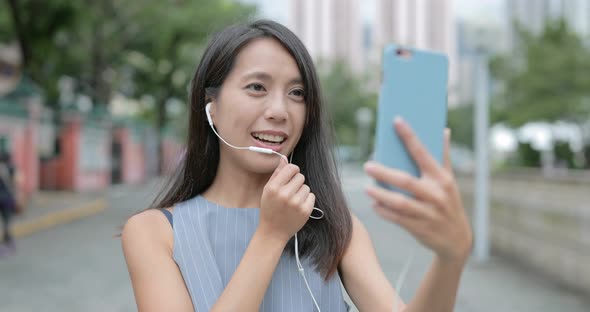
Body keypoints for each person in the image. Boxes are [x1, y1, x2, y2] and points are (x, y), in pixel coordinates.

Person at [121, 20, 472, 312]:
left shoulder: (337, 226)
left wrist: (450, 258)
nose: (279, 110)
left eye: (297, 93)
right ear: (211, 105)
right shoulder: (154, 232)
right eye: (257, 87)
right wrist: (271, 234)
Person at [0, 153, 17, 256]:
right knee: (7, 222)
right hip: (7, 199)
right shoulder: (11, 168)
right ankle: (7, 244)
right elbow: (17, 182)